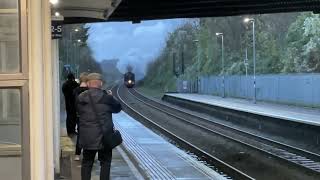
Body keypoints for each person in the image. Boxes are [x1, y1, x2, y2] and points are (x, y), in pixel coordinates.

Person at [76, 73, 122, 180]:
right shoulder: (106, 97)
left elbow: (78, 112)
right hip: (104, 137)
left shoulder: (81, 98)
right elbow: (118, 108)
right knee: (105, 163)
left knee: (87, 163)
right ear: (101, 83)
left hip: (87, 137)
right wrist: (111, 97)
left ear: (88, 83)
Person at [73, 72, 89, 161]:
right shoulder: (90, 91)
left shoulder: (75, 90)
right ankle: (87, 154)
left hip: (79, 115)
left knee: (80, 135)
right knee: (89, 135)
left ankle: (77, 154)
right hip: (89, 116)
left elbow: (74, 104)